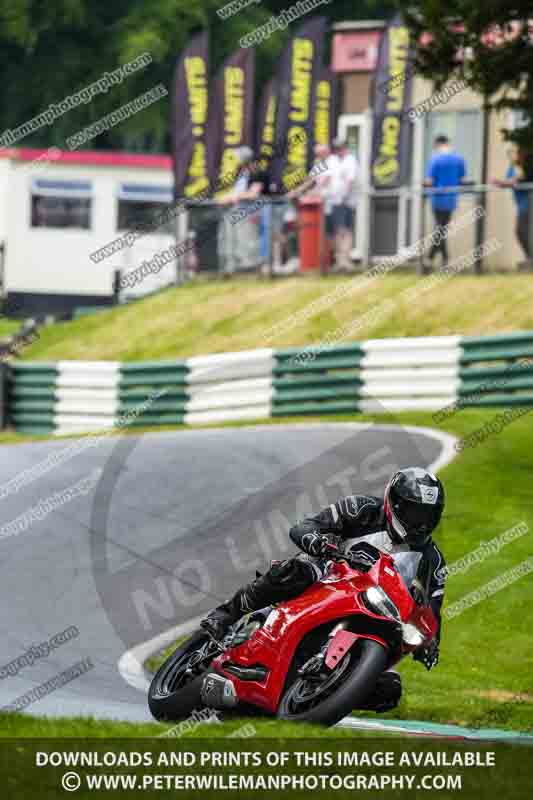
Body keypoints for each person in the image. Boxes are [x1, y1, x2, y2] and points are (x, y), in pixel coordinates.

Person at [201, 467, 447, 713]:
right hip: (331, 576)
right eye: (415, 513)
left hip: (377, 613)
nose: (421, 522)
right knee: (297, 570)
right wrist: (315, 539)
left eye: (428, 515)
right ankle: (226, 614)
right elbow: (305, 526)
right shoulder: (361, 509)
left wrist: (430, 642)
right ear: (395, 503)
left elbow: (432, 610)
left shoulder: (433, 561)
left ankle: (316, 700)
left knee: (390, 690)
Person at [217, 146, 264, 274]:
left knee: (248, 240)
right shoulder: (239, 172)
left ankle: (250, 267)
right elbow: (236, 190)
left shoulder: (256, 172)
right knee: (230, 240)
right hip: (232, 210)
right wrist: (226, 198)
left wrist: (234, 197)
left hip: (248, 212)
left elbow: (254, 193)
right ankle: (231, 268)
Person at [423, 135, 466, 269]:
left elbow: (429, 181)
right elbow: (462, 178)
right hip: (451, 199)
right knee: (442, 230)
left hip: (437, 198)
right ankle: (442, 259)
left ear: (438, 145)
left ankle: (433, 259)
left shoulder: (435, 159)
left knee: (440, 230)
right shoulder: (459, 159)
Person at [493, 144, 533, 268]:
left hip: (527, 202)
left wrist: (500, 182)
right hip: (520, 202)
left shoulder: (523, 165)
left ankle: (530, 258)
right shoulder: (513, 166)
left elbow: (516, 180)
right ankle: (529, 258)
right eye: (508, 152)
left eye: (512, 152)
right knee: (522, 231)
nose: (510, 155)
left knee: (521, 230)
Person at [329, 138, 359, 271]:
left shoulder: (351, 160)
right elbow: (326, 178)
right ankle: (340, 260)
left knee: (345, 231)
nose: (338, 151)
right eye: (336, 148)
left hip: (346, 201)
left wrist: (344, 195)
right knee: (337, 231)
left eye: (340, 148)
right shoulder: (333, 161)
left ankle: (345, 260)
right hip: (335, 200)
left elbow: (350, 180)